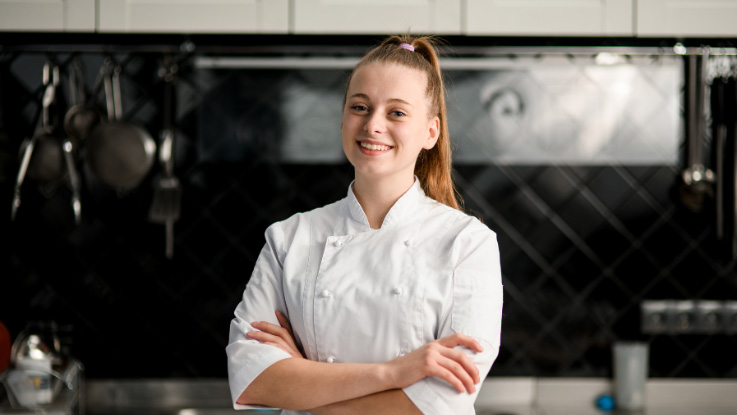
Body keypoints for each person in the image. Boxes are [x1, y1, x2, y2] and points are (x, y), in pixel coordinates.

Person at [226, 34, 504, 415]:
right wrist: (394, 372)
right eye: (360, 106)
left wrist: (304, 386)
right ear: (343, 118)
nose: (373, 125)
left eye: (397, 112)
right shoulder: (289, 239)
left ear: (431, 132)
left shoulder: (467, 244)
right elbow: (252, 381)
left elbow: (442, 400)